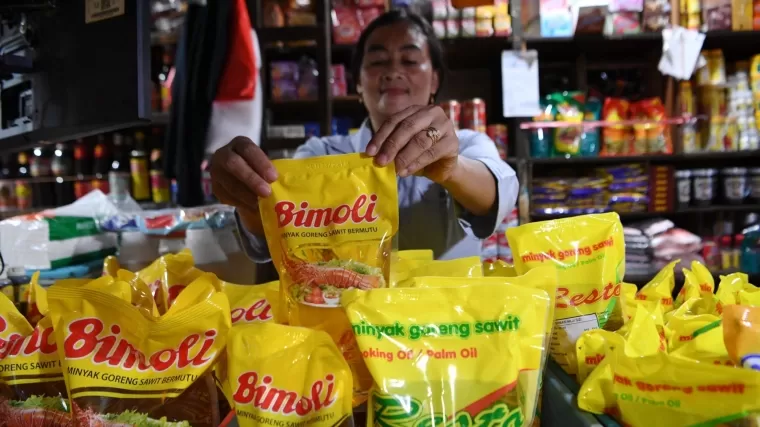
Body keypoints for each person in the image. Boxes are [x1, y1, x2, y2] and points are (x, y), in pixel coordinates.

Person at [210, 9, 518, 262]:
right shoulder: (322, 153)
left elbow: (498, 195)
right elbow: (277, 235)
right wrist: (250, 202)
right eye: (378, 61)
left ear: (434, 78)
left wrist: (454, 169)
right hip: (348, 325)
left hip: (452, 328)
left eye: (410, 61)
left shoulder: (466, 144)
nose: (393, 71)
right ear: (357, 82)